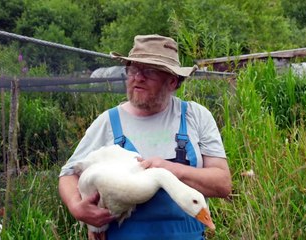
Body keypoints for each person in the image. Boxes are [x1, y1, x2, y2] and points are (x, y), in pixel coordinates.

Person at [58, 34, 232, 240]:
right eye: (133, 69)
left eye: (148, 71)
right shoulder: (109, 122)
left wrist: (167, 169)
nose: (137, 77)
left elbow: (222, 184)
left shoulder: (195, 116)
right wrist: (77, 207)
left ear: (173, 81)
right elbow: (68, 174)